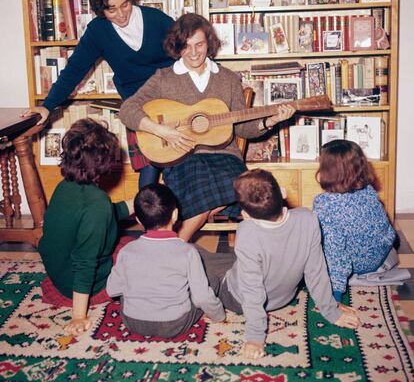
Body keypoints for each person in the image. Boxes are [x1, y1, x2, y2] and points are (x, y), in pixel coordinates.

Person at [119, 13, 295, 242]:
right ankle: (184, 240)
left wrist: (270, 121)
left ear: (209, 43)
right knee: (202, 178)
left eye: (199, 44)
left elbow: (243, 129)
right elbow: (127, 109)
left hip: (224, 158)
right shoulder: (163, 78)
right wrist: (160, 130)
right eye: (186, 46)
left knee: (239, 185)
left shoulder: (227, 79)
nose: (193, 52)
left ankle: (173, 245)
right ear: (177, 46)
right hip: (182, 159)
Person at [23, 0, 174, 188]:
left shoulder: (156, 19)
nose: (122, 14)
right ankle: (149, 219)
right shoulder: (98, 31)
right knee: (150, 166)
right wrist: (47, 106)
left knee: (177, 164)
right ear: (100, 10)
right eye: (111, 9)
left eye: (125, 5)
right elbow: (74, 70)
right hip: (138, 106)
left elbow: (189, 49)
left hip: (173, 98)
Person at [212, 169, 360, 360]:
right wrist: (330, 310)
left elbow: (251, 290)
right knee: (229, 262)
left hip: (236, 298)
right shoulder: (308, 218)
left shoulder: (246, 231)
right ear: (282, 192)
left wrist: (255, 337)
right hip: (283, 298)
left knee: (199, 261)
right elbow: (316, 271)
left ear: (245, 214)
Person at [38, 118, 134, 336]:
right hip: (74, 284)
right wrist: (78, 316)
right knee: (134, 251)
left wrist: (135, 203)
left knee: (121, 242)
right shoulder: (97, 203)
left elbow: (104, 213)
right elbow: (85, 263)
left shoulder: (65, 186)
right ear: (103, 162)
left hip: (57, 270)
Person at [106, 183, 225, 337]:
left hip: (132, 322)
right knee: (211, 281)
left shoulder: (127, 250)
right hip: (173, 325)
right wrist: (219, 316)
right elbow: (202, 297)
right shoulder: (188, 251)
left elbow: (113, 289)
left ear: (139, 221)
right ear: (175, 215)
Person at [313, 139, 396, 302]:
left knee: (311, 238)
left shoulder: (324, 203)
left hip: (355, 264)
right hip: (379, 255)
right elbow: (385, 228)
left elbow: (334, 250)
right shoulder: (368, 190)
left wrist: (335, 293)